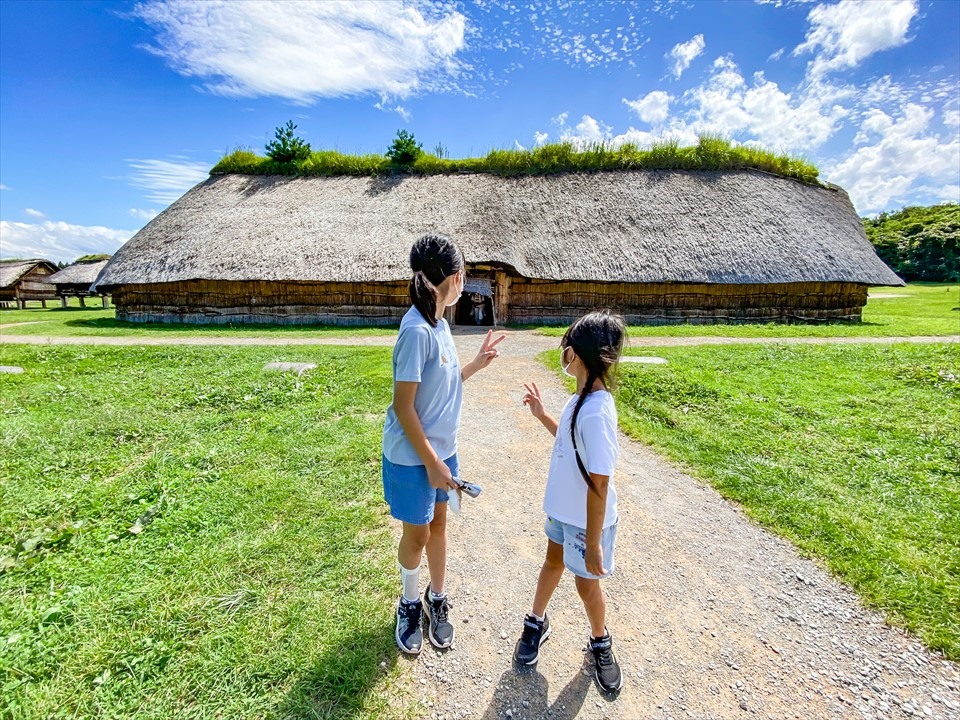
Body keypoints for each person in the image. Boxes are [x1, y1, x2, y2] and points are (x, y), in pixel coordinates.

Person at [382, 233, 505, 655]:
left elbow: (443, 386)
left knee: (439, 526)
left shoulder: (441, 324)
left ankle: (437, 596)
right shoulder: (416, 330)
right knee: (416, 534)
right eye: (465, 276)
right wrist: (433, 462)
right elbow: (403, 407)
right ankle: (409, 602)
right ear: (454, 279)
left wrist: (475, 364)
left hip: (440, 452)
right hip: (414, 457)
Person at [513, 310, 626, 693]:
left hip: (586, 523)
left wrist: (593, 542)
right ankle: (536, 621)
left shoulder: (596, 412)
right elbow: (567, 441)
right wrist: (543, 414)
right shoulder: (580, 398)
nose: (561, 353)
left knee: (586, 585)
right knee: (551, 564)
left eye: (565, 346)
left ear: (575, 355)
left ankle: (600, 640)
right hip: (562, 512)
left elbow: (600, 481)